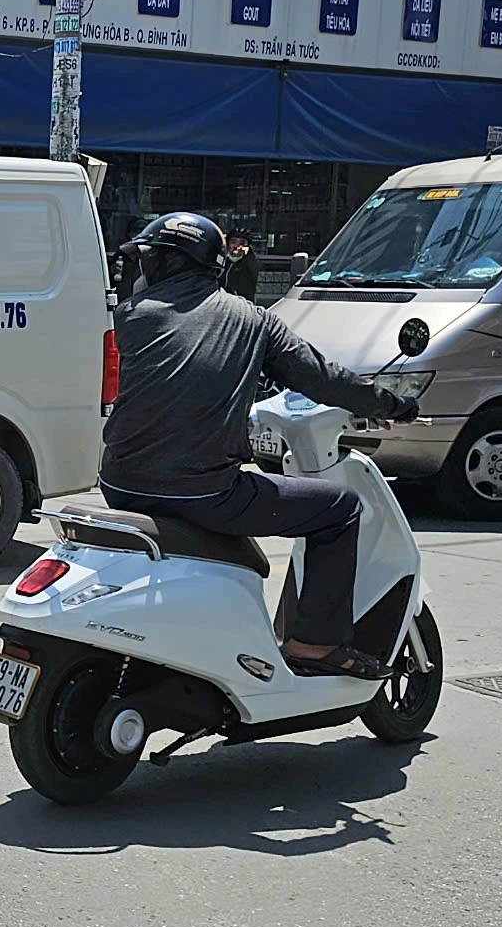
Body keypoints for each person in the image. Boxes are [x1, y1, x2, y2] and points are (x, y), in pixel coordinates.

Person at [99, 211, 419, 680]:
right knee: (342, 509)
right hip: (204, 496)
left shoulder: (128, 317)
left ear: (161, 266)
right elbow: (323, 378)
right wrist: (393, 405)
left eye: (150, 261)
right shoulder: (254, 322)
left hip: (118, 486)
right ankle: (314, 643)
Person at [221, 231, 263, 301]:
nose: (236, 246)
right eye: (233, 242)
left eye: (241, 243)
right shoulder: (221, 261)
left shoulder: (250, 263)